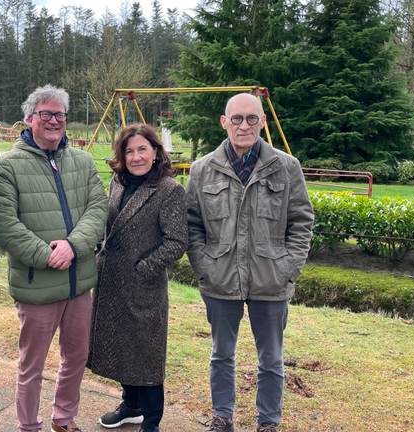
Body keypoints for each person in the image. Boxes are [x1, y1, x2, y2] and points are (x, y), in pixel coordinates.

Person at [186, 93, 314, 432]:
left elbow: (302, 221)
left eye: (252, 119)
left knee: (271, 359)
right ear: (224, 122)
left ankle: (268, 423)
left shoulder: (287, 167)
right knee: (221, 355)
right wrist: (204, 265)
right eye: (237, 119)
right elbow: (192, 224)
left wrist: (289, 267)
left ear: (263, 122)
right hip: (220, 279)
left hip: (271, 279)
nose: (244, 125)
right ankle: (222, 418)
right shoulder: (202, 170)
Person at [0, 84, 108, 432]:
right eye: (46, 114)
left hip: (79, 282)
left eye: (60, 115)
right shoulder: (8, 166)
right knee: (32, 364)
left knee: (76, 358)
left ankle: (64, 418)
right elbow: (3, 223)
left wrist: (73, 245)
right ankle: (29, 425)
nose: (54, 120)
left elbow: (97, 209)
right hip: (37, 284)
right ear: (29, 119)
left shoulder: (83, 161)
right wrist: (46, 255)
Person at [87, 124, 187, 432]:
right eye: (129, 151)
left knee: (146, 354)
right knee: (121, 346)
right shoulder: (119, 180)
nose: (136, 157)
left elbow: (177, 241)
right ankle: (130, 406)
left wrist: (144, 268)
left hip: (144, 286)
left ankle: (152, 421)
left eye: (142, 149)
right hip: (112, 282)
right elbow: (110, 222)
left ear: (156, 152)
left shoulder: (169, 190)